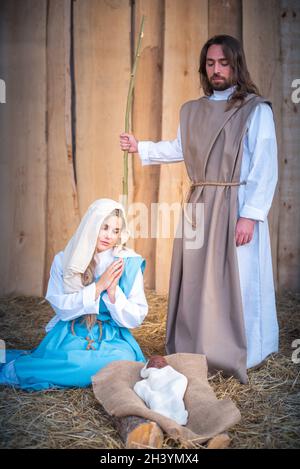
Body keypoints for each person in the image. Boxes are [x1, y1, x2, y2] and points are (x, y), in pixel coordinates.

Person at [120, 35, 279, 383]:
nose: (217, 69)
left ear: (236, 64)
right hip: (200, 204)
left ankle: (248, 351)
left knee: (237, 278)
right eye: (210, 63)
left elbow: (265, 166)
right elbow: (180, 148)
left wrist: (250, 215)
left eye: (223, 63)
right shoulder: (193, 110)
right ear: (203, 67)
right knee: (197, 280)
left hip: (237, 205)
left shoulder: (255, 110)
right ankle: (198, 349)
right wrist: (140, 147)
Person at [0, 199, 148, 391]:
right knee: (75, 360)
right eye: (104, 227)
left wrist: (113, 293)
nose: (109, 236)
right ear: (91, 225)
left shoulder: (127, 262)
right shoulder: (64, 260)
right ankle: (18, 369)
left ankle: (49, 370)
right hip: (71, 332)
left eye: (116, 231)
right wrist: (98, 287)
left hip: (112, 338)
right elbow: (61, 307)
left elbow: (136, 317)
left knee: (123, 361)